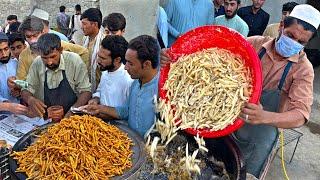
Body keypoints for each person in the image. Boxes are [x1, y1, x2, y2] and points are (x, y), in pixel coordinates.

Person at [160, 4, 320, 178]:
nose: (293, 43)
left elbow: (300, 115)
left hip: (260, 134)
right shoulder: (254, 44)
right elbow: (208, 56)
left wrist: (264, 116)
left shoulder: (303, 69)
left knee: (243, 173)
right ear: (281, 25)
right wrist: (173, 58)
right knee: (211, 164)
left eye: (301, 42)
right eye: (290, 35)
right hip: (225, 120)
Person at [80, 35, 160, 137]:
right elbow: (126, 111)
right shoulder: (136, 84)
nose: (125, 67)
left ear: (147, 64)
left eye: (130, 64)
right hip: (131, 141)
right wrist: (99, 108)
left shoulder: (161, 90)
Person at [21, 33, 91, 118]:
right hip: (48, 116)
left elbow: (86, 92)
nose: (49, 62)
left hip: (73, 116)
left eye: (53, 56)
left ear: (61, 50)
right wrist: (30, 99)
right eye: (45, 58)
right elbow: (25, 89)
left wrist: (72, 112)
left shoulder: (74, 60)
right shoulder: (37, 63)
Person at [16, 16, 89, 81]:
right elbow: (21, 80)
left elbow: (84, 52)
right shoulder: (24, 55)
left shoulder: (58, 45)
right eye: (28, 37)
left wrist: (77, 75)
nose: (32, 40)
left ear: (43, 32)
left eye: (35, 35)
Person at [89, 35, 133, 107]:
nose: (98, 61)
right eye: (98, 56)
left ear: (117, 60)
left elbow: (127, 111)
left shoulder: (128, 80)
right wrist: (95, 99)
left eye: (103, 58)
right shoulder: (106, 71)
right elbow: (100, 91)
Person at [81, 8, 105, 92]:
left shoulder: (104, 41)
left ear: (94, 24)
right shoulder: (84, 39)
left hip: (101, 87)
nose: (81, 27)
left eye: (84, 24)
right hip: (87, 85)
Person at [0, 32, 19, 103]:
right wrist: (5, 103)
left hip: (20, 112)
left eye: (6, 49)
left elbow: (28, 85)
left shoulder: (17, 64)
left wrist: (20, 91)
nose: (4, 54)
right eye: (0, 51)